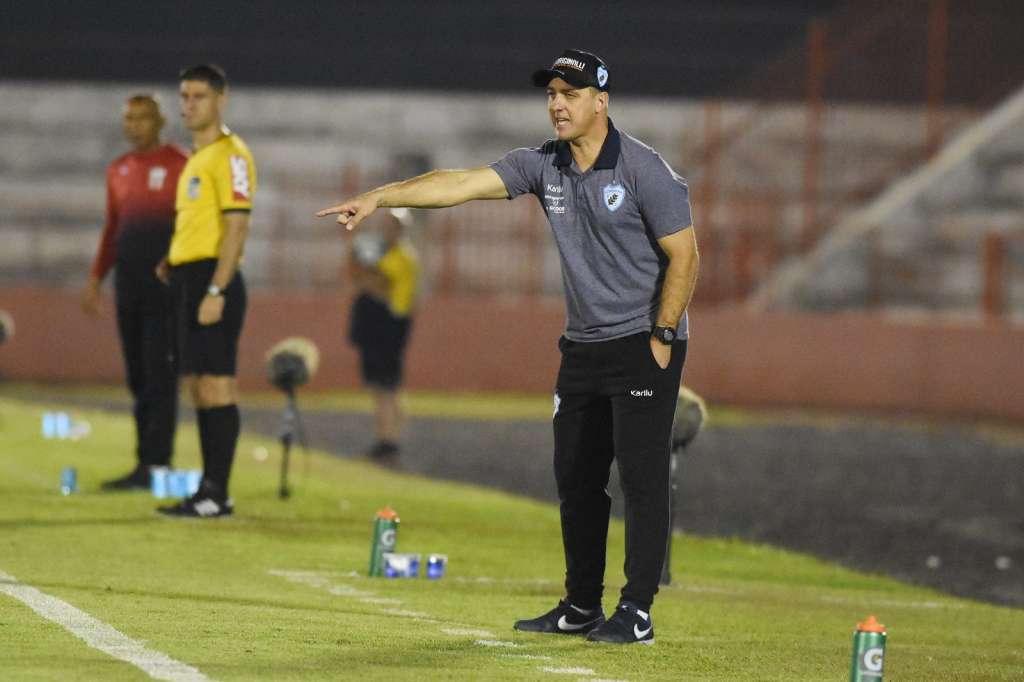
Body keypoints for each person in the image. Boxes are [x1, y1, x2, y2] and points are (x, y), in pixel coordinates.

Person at [318, 49, 699, 644]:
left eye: (570, 94)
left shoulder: (644, 169)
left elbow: (686, 256)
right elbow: (460, 183)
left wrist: (663, 335)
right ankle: (581, 605)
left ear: (601, 102)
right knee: (576, 477)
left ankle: (637, 610)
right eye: (551, 94)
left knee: (642, 479)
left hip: (642, 342)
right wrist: (381, 197)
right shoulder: (542, 165)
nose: (557, 105)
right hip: (582, 346)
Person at [155, 64, 256, 518]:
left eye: (199, 96)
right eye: (184, 96)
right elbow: (198, 223)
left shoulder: (231, 156)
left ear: (221, 100)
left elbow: (236, 227)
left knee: (217, 385)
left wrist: (217, 288)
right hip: (190, 277)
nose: (189, 104)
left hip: (214, 281)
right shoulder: (195, 158)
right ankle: (208, 489)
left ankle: (217, 492)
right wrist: (173, 258)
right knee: (198, 385)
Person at [82, 94, 188, 490]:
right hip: (128, 286)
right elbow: (113, 228)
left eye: (142, 118)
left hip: (166, 287)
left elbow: (192, 222)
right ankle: (145, 461)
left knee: (161, 373)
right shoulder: (119, 169)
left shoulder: (181, 164)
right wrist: (96, 278)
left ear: (159, 122)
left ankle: (157, 463)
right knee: (137, 375)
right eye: (128, 118)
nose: (134, 125)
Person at [347, 209, 419, 463]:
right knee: (385, 386)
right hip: (382, 324)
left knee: (386, 386)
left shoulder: (402, 256)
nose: (388, 230)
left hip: (389, 325)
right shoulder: (388, 252)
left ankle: (389, 441)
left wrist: (367, 275)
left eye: (393, 226)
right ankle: (388, 438)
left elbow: (377, 284)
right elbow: (361, 275)